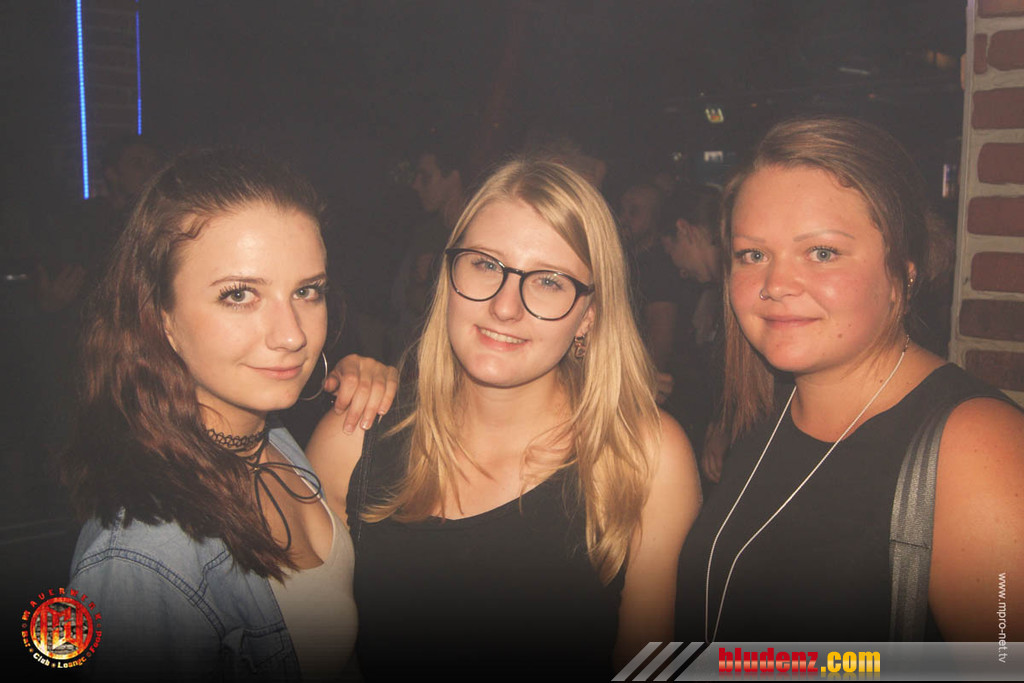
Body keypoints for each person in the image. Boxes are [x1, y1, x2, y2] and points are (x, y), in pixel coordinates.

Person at [308, 158, 701, 680]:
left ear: (588, 316)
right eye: (486, 265)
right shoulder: (351, 440)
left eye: (549, 281)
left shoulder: (645, 457)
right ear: (448, 276)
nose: (504, 306)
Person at [675, 116, 1024, 642]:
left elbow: (1001, 663)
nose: (775, 284)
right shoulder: (764, 412)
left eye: (822, 252)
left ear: (903, 271)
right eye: (753, 254)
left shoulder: (977, 447)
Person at [62, 148, 397, 681]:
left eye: (307, 291)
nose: (292, 335)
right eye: (239, 295)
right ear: (161, 316)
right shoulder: (141, 555)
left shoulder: (267, 436)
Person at [658, 183, 727, 482]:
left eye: (670, 249)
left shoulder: (740, 287)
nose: (679, 270)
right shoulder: (715, 293)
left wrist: (727, 422)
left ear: (684, 230)